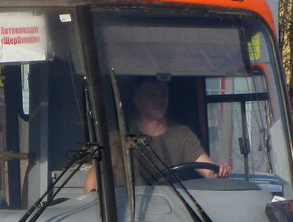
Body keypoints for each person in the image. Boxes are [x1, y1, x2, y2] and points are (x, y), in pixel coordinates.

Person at [85, 77, 231, 191]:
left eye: (163, 94)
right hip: (130, 215)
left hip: (173, 212)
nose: (159, 100)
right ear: (137, 100)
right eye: (152, 95)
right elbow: (91, 184)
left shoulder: (182, 135)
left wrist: (219, 172)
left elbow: (208, 169)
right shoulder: (117, 139)